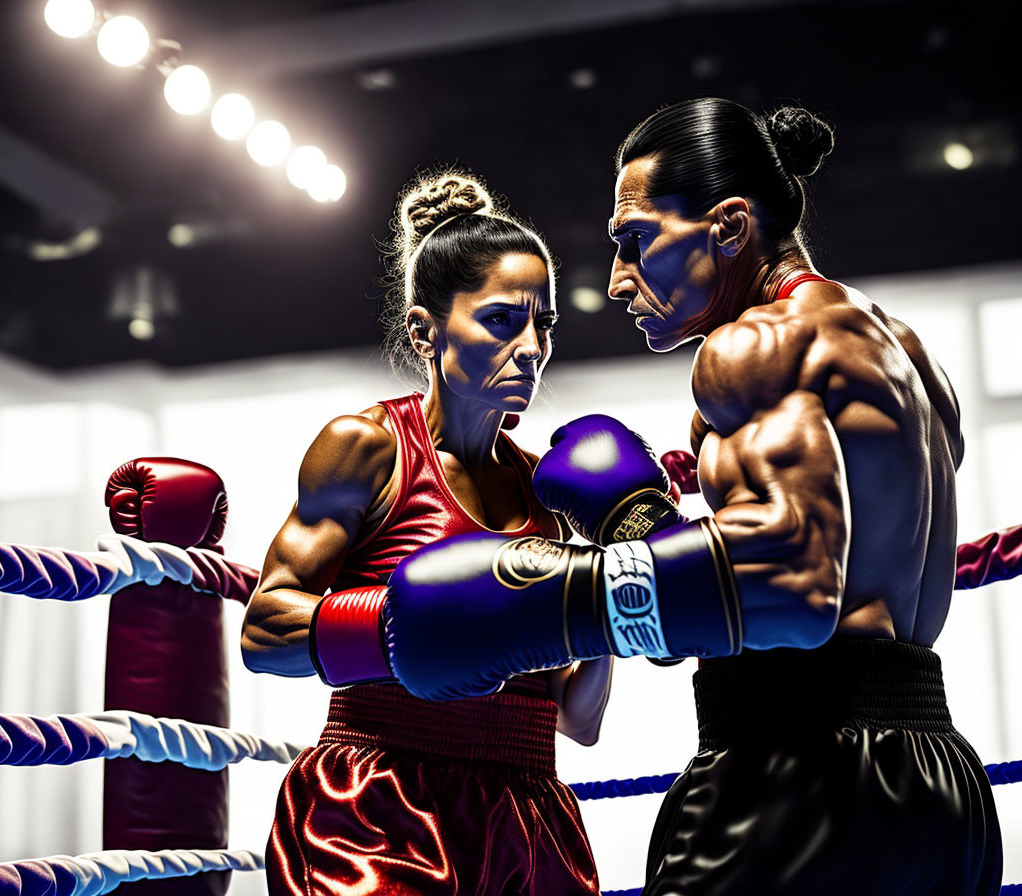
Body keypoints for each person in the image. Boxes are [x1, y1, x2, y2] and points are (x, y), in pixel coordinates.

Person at [311, 99, 1003, 894]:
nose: (616, 282)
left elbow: (793, 586)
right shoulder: (906, 355)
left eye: (636, 241)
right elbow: (831, 566)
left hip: (794, 781)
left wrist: (544, 599)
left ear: (731, 226)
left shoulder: (751, 346)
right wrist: (636, 521)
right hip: (938, 784)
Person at [240, 172, 612, 895]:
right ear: (425, 329)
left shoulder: (550, 490)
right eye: (505, 320)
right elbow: (264, 633)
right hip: (380, 808)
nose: (533, 347)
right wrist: (409, 627)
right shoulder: (367, 448)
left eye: (546, 324)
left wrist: (606, 601)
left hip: (528, 813)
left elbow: (578, 722)